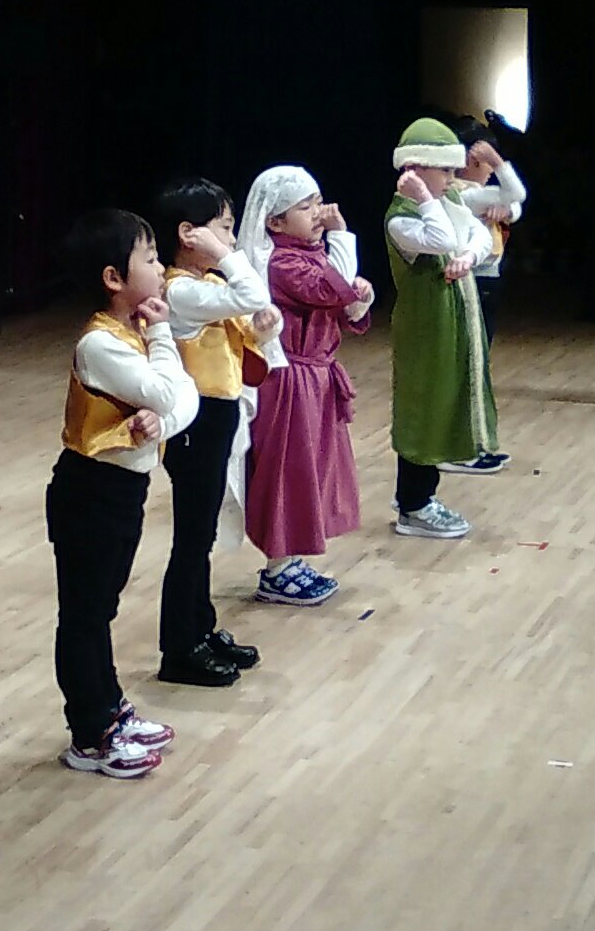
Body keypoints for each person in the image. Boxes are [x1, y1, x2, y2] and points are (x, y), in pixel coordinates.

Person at [45, 210, 198, 779]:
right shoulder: (101, 345)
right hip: (90, 493)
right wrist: (162, 339)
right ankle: (90, 735)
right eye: (151, 258)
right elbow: (170, 392)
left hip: (123, 490)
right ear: (113, 278)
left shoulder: (131, 332)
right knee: (84, 615)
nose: (161, 269)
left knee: (100, 610)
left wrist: (165, 420)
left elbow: (186, 400)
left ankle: (109, 708)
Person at [152, 179, 278, 687]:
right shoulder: (179, 289)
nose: (231, 239)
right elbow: (250, 292)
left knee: (200, 534)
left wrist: (262, 328)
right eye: (224, 228)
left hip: (216, 415)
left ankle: (200, 629)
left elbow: (247, 317)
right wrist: (230, 258)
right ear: (189, 234)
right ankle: (180, 647)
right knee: (192, 537)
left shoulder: (201, 285)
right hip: (195, 422)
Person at [234, 166, 374, 604]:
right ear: (275, 222)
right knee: (288, 471)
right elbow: (333, 290)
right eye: (305, 206)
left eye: (318, 201)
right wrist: (343, 237)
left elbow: (340, 303)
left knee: (311, 468)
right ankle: (277, 567)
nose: (319, 212)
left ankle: (291, 558)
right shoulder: (282, 262)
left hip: (315, 379)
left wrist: (358, 302)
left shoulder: (310, 255)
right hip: (289, 382)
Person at [384, 118, 499, 539]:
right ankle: (413, 504)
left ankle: (420, 496)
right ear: (415, 169)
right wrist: (422, 198)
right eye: (446, 170)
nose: (453, 178)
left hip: (455, 319)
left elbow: (477, 235)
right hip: (426, 326)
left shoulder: (447, 200)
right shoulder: (400, 219)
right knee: (424, 406)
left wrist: (469, 256)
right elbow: (442, 238)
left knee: (446, 400)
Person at [444, 117, 526, 474]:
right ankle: (459, 445)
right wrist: (500, 164)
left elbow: (515, 204)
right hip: (475, 282)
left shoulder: (468, 192)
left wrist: (510, 211)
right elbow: (517, 193)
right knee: (468, 363)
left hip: (487, 280)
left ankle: (471, 440)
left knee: (477, 363)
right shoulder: (462, 193)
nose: (491, 170)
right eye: (485, 162)